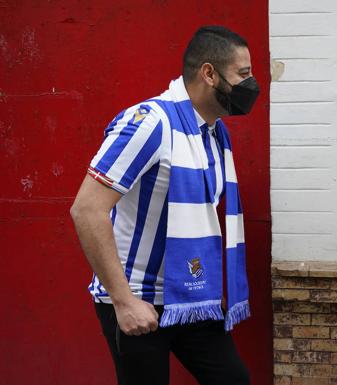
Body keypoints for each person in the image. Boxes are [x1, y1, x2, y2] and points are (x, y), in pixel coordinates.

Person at [70, 26, 259, 385]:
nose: (252, 85)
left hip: (190, 299)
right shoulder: (150, 123)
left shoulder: (214, 132)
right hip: (136, 299)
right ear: (209, 73)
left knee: (233, 379)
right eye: (243, 74)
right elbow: (86, 209)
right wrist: (124, 302)